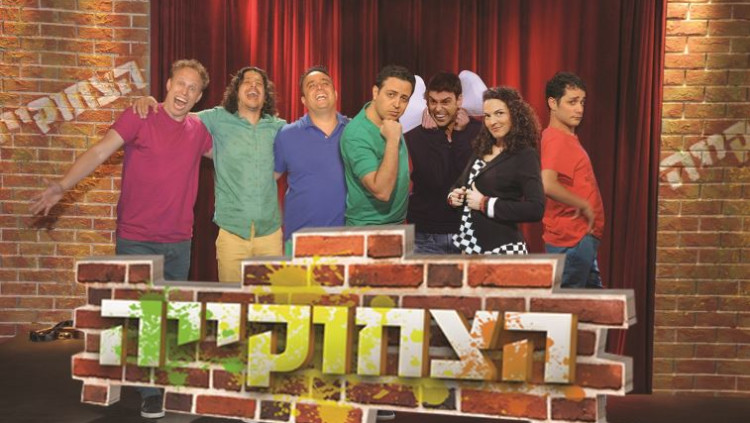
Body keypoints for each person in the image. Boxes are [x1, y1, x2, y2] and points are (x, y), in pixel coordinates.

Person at [31, 59, 213, 419]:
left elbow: (235, 156)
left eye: (193, 88)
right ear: (168, 84)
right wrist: (62, 186)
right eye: (181, 83)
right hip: (137, 239)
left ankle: (164, 378)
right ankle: (150, 392)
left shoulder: (199, 131)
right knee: (145, 317)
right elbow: (101, 151)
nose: (185, 92)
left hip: (179, 241)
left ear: (199, 98)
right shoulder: (140, 116)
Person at [134, 67, 286, 283]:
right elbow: (176, 115)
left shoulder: (279, 127)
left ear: (265, 93)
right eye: (247, 82)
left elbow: (293, 154)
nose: (253, 86)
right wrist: (152, 103)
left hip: (270, 235)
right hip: (231, 234)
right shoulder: (217, 118)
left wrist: (267, 178)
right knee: (232, 302)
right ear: (236, 90)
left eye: (259, 84)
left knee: (271, 301)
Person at [449, 87, 544, 254]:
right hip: (471, 250)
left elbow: (536, 208)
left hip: (504, 251)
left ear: (515, 114)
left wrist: (485, 204)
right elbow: (460, 184)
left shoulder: (525, 155)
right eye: (487, 116)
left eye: (499, 113)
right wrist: (453, 196)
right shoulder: (482, 149)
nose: (492, 122)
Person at [273, 66, 349, 255]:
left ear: (335, 93)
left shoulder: (355, 131)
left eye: (325, 83)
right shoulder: (286, 135)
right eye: (311, 85)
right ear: (304, 100)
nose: (320, 88)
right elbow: (270, 178)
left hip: (348, 241)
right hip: (300, 241)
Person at [541, 72, 605, 288]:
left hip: (580, 238)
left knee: (592, 305)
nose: (579, 109)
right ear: (553, 103)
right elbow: (547, 183)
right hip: (571, 240)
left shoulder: (566, 138)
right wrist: (583, 204)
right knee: (568, 304)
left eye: (582, 102)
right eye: (572, 102)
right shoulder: (556, 139)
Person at [405, 72, 481, 254]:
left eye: (445, 102)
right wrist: (434, 138)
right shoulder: (418, 135)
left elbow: (469, 179)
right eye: (433, 101)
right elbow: (436, 179)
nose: (438, 109)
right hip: (426, 235)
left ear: (459, 100)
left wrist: (461, 136)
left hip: (469, 233)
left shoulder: (477, 132)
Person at [340, 65, 415, 227]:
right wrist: (392, 140)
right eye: (391, 94)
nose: (397, 104)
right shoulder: (356, 134)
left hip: (397, 224)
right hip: (369, 228)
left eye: (404, 98)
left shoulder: (389, 118)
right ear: (375, 92)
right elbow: (382, 191)